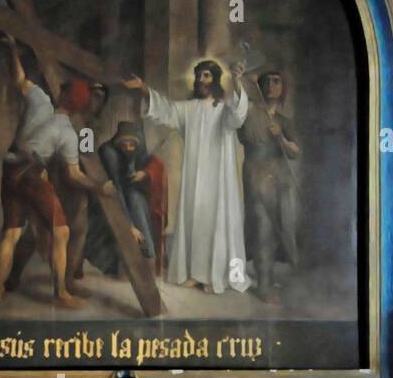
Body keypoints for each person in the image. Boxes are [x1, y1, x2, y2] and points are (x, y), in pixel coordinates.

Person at [123, 59, 250, 294]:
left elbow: (238, 116)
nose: (201, 81)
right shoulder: (188, 109)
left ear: (215, 79)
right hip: (195, 179)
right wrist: (142, 88)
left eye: (206, 76)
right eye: (198, 76)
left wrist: (237, 81)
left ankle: (215, 277)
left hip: (218, 181)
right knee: (195, 220)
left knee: (216, 221)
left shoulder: (224, 108)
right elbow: (165, 110)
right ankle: (195, 273)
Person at [0, 37, 104, 308]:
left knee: (11, 234)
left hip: (10, 170)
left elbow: (18, 79)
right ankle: (60, 294)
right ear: (78, 107)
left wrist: (11, 50)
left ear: (62, 94)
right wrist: (99, 187)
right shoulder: (67, 133)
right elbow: (74, 176)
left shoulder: (40, 99)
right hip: (31, 175)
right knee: (62, 232)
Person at [239, 70, 300, 303]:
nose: (271, 86)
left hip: (280, 178)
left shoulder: (284, 121)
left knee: (282, 227)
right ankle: (264, 284)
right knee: (263, 226)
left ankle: (271, 276)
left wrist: (281, 138)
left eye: (277, 82)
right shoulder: (251, 114)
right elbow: (242, 136)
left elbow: (295, 152)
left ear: (282, 88)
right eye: (267, 82)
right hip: (256, 174)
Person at [97, 121, 167, 274]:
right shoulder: (109, 153)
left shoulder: (139, 148)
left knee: (137, 200)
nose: (128, 148)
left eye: (132, 144)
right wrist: (129, 225)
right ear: (118, 144)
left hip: (134, 195)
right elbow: (117, 188)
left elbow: (152, 164)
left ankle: (149, 259)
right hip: (113, 198)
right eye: (124, 144)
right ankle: (143, 261)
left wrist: (145, 173)